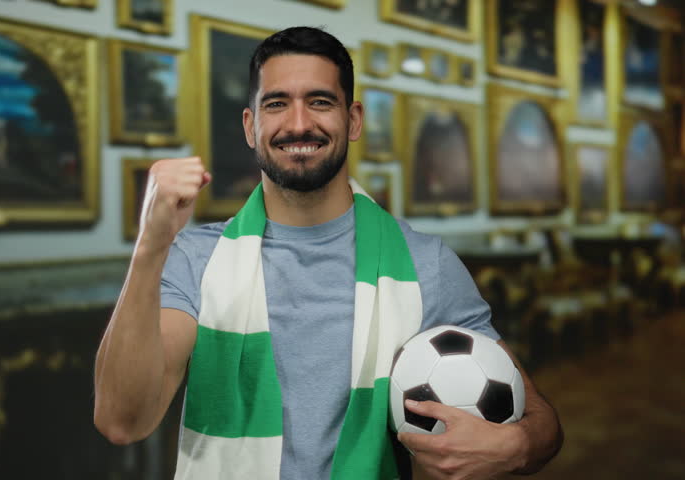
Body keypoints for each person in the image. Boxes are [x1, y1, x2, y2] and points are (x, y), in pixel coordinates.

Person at [94, 26, 563, 480]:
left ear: (353, 119)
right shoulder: (197, 259)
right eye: (277, 104)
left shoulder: (426, 264)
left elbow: (542, 422)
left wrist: (515, 446)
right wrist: (150, 245)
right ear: (251, 125)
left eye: (320, 101)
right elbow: (123, 420)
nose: (299, 124)